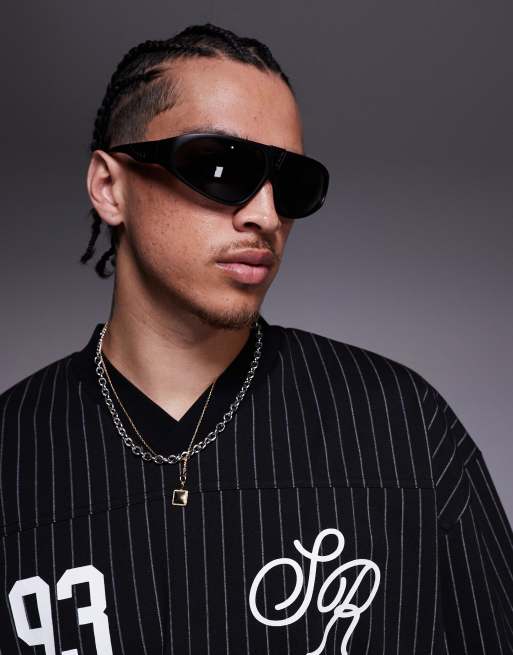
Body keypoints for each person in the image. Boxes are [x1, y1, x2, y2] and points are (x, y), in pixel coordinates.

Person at [1, 22, 511, 655]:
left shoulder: (402, 427)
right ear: (110, 186)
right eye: (221, 167)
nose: (265, 216)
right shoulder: (12, 453)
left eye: (292, 184)